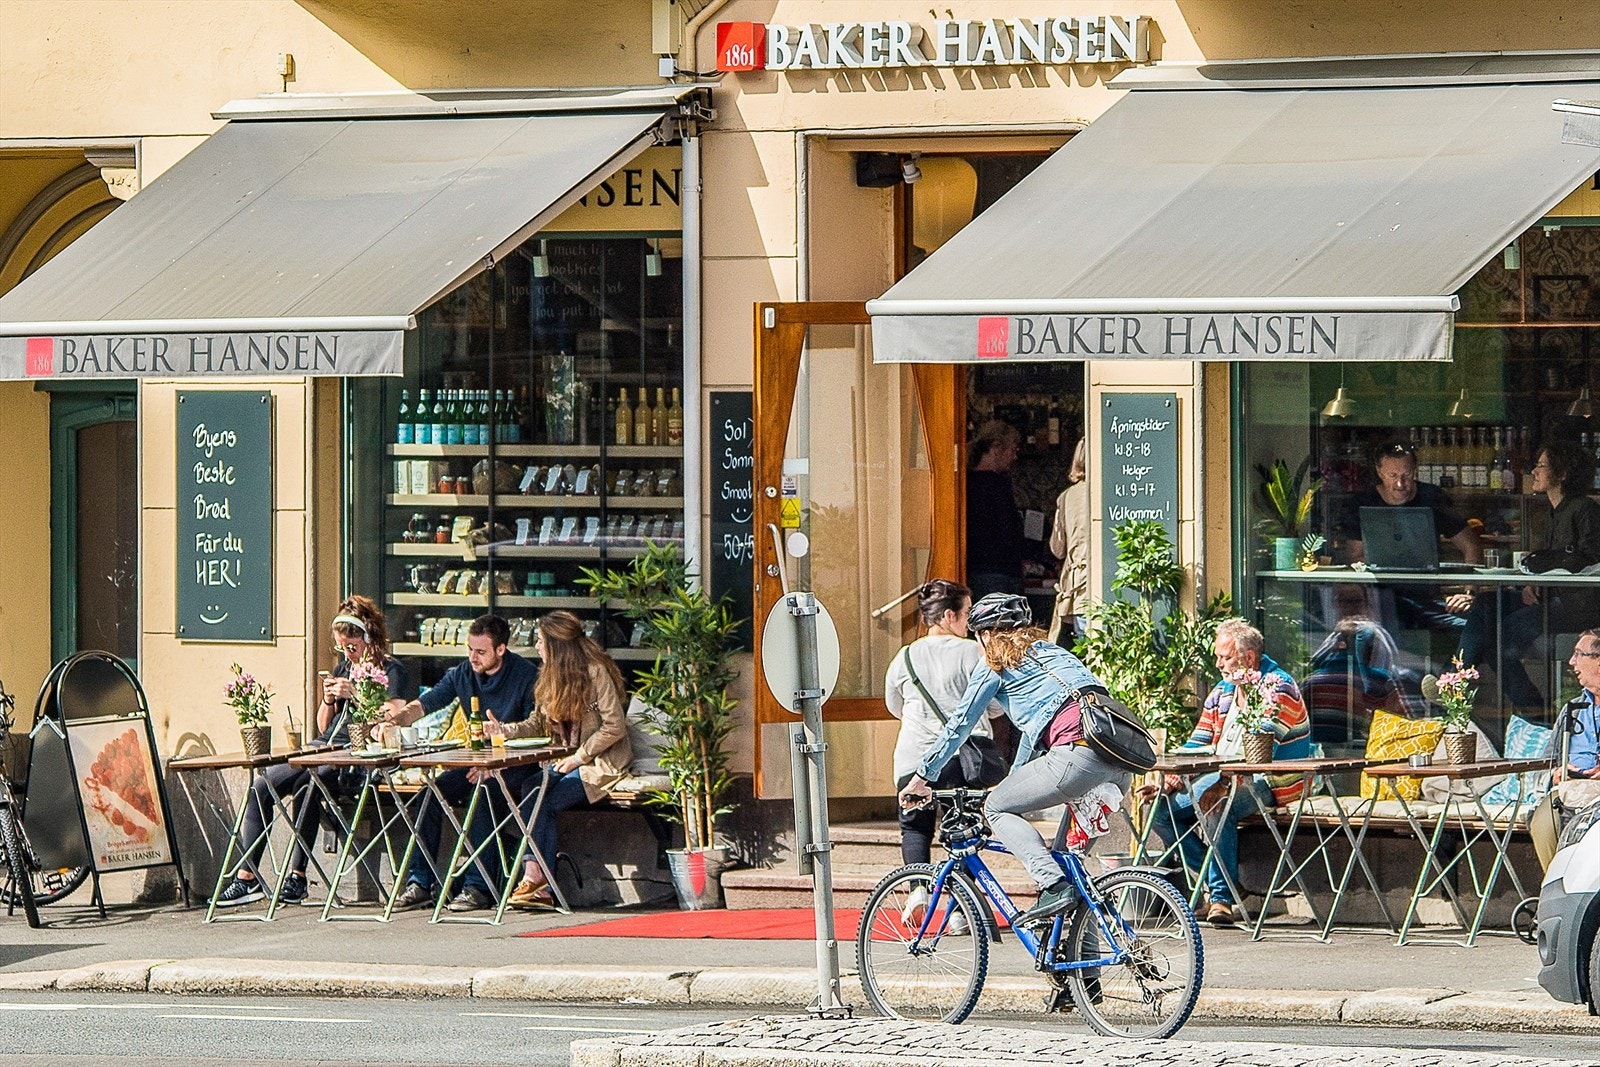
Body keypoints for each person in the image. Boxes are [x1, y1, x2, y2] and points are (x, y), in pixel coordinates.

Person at [897, 592, 1127, 928]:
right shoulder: (1054, 653)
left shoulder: (995, 663)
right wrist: (1014, 780)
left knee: (996, 808)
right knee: (1070, 864)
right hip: (1117, 762)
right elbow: (1035, 732)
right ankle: (1083, 960)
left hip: (1077, 756)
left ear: (985, 634)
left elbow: (959, 725)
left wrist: (921, 778)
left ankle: (1051, 885)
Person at [211, 596, 412, 908]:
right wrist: (329, 698)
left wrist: (355, 694)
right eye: (342, 648)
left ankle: (297, 876)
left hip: (355, 756)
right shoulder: (344, 668)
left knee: (309, 784)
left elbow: (395, 715)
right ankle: (248, 877)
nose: (348, 654)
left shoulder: (390, 669)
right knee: (262, 786)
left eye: (352, 646)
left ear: (368, 636)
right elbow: (323, 726)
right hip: (326, 746)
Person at [1142, 619, 1310, 926]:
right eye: (1218, 657)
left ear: (1249, 658)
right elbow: (1198, 742)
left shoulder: (1277, 687)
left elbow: (1261, 754)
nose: (1218, 664)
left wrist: (1224, 784)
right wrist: (1172, 781)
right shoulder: (1223, 690)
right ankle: (1227, 886)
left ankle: (1220, 899)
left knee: (1217, 804)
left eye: (1225, 657)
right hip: (1219, 776)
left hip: (1271, 779)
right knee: (1159, 810)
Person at [387, 614, 540, 912]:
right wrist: (394, 721)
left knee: (483, 796)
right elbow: (427, 702)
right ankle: (420, 882)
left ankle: (478, 887)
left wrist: (500, 753)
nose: (473, 657)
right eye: (470, 649)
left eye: (481, 651)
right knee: (429, 795)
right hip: (476, 763)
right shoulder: (463, 673)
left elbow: (538, 728)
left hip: (516, 765)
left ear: (501, 649)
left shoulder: (526, 676)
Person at [504, 610, 631, 909]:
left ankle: (536, 879)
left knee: (545, 800)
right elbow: (537, 723)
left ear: (557, 646)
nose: (536, 646)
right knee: (532, 788)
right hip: (564, 759)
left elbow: (615, 726)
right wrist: (505, 730)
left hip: (598, 761)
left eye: (540, 641)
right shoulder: (549, 676)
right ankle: (538, 878)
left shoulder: (595, 672)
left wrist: (578, 757)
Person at [1460, 440, 1600, 712]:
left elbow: (1590, 557)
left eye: (1541, 466)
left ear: (1562, 474)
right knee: (1487, 603)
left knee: (1501, 639)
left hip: (1577, 606)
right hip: (1552, 598)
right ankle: (1455, 677)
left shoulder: (1584, 509)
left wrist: (1544, 565)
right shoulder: (1554, 511)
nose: (1534, 472)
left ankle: (1534, 709)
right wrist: (1535, 582)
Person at [883, 580, 1004, 871]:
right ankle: (963, 900)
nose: (971, 621)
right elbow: (996, 707)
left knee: (915, 828)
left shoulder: (904, 657)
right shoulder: (973, 653)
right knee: (964, 832)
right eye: (968, 613)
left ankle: (917, 889)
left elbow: (895, 707)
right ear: (949, 616)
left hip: (913, 758)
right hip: (962, 762)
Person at [1337, 438, 1482, 636]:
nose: (1400, 483)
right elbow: (1355, 557)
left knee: (1475, 627)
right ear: (1379, 472)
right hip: (1380, 600)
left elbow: (1471, 545)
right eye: (1393, 475)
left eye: (1407, 475)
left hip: (1427, 600)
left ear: (1415, 470)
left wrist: (1468, 593)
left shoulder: (1432, 497)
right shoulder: (1362, 503)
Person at [965, 421, 1024, 599]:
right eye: (1012, 450)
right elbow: (1008, 528)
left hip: (975, 568)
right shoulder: (998, 484)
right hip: (999, 571)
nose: (1014, 457)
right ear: (996, 447)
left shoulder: (965, 482)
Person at [1046, 439, 1089, 646]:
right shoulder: (1113, 491)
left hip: (1079, 584)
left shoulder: (1066, 497)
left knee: (1086, 648)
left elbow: (1057, 549)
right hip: (1109, 582)